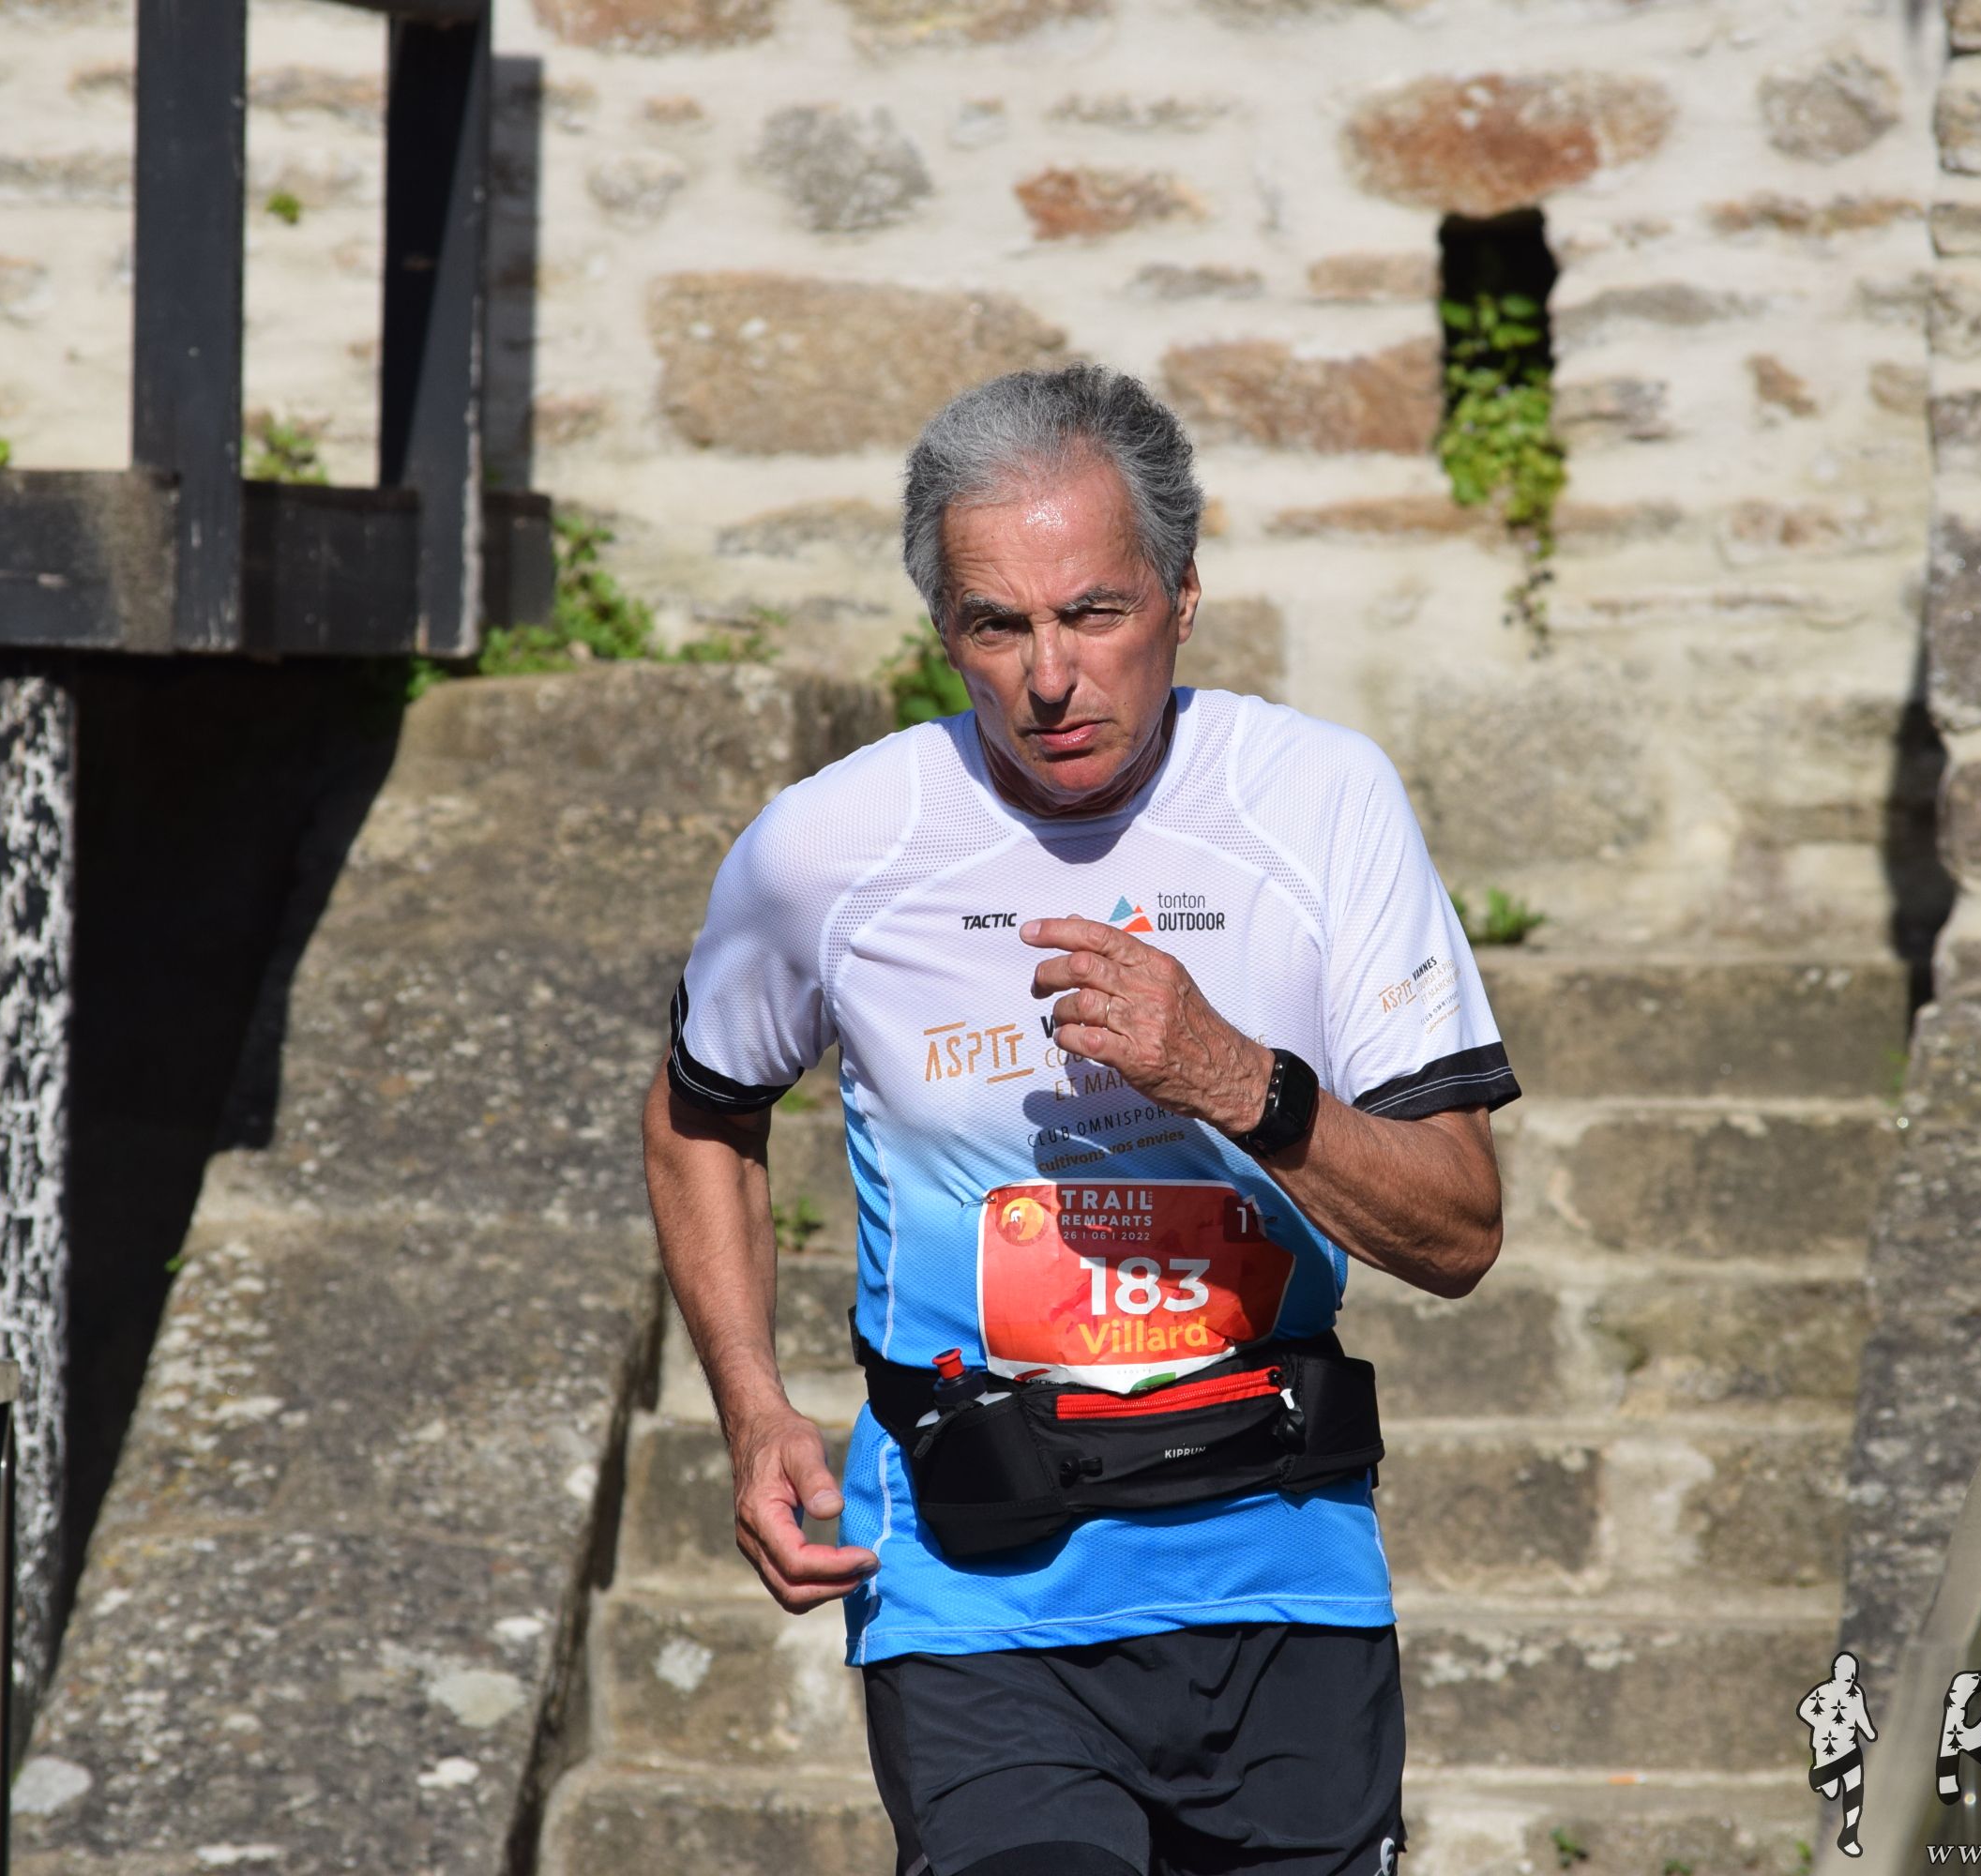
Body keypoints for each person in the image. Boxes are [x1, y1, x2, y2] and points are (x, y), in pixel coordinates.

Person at [642, 362, 1520, 1876]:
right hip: (974, 1580)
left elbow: (1459, 1232)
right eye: (998, 626)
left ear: (1184, 595)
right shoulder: (831, 848)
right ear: (945, 635)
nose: (1051, 676)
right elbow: (697, 1118)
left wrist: (1232, 1077)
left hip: (1281, 1561)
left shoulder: (1320, 803)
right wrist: (755, 1408)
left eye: (1095, 613)